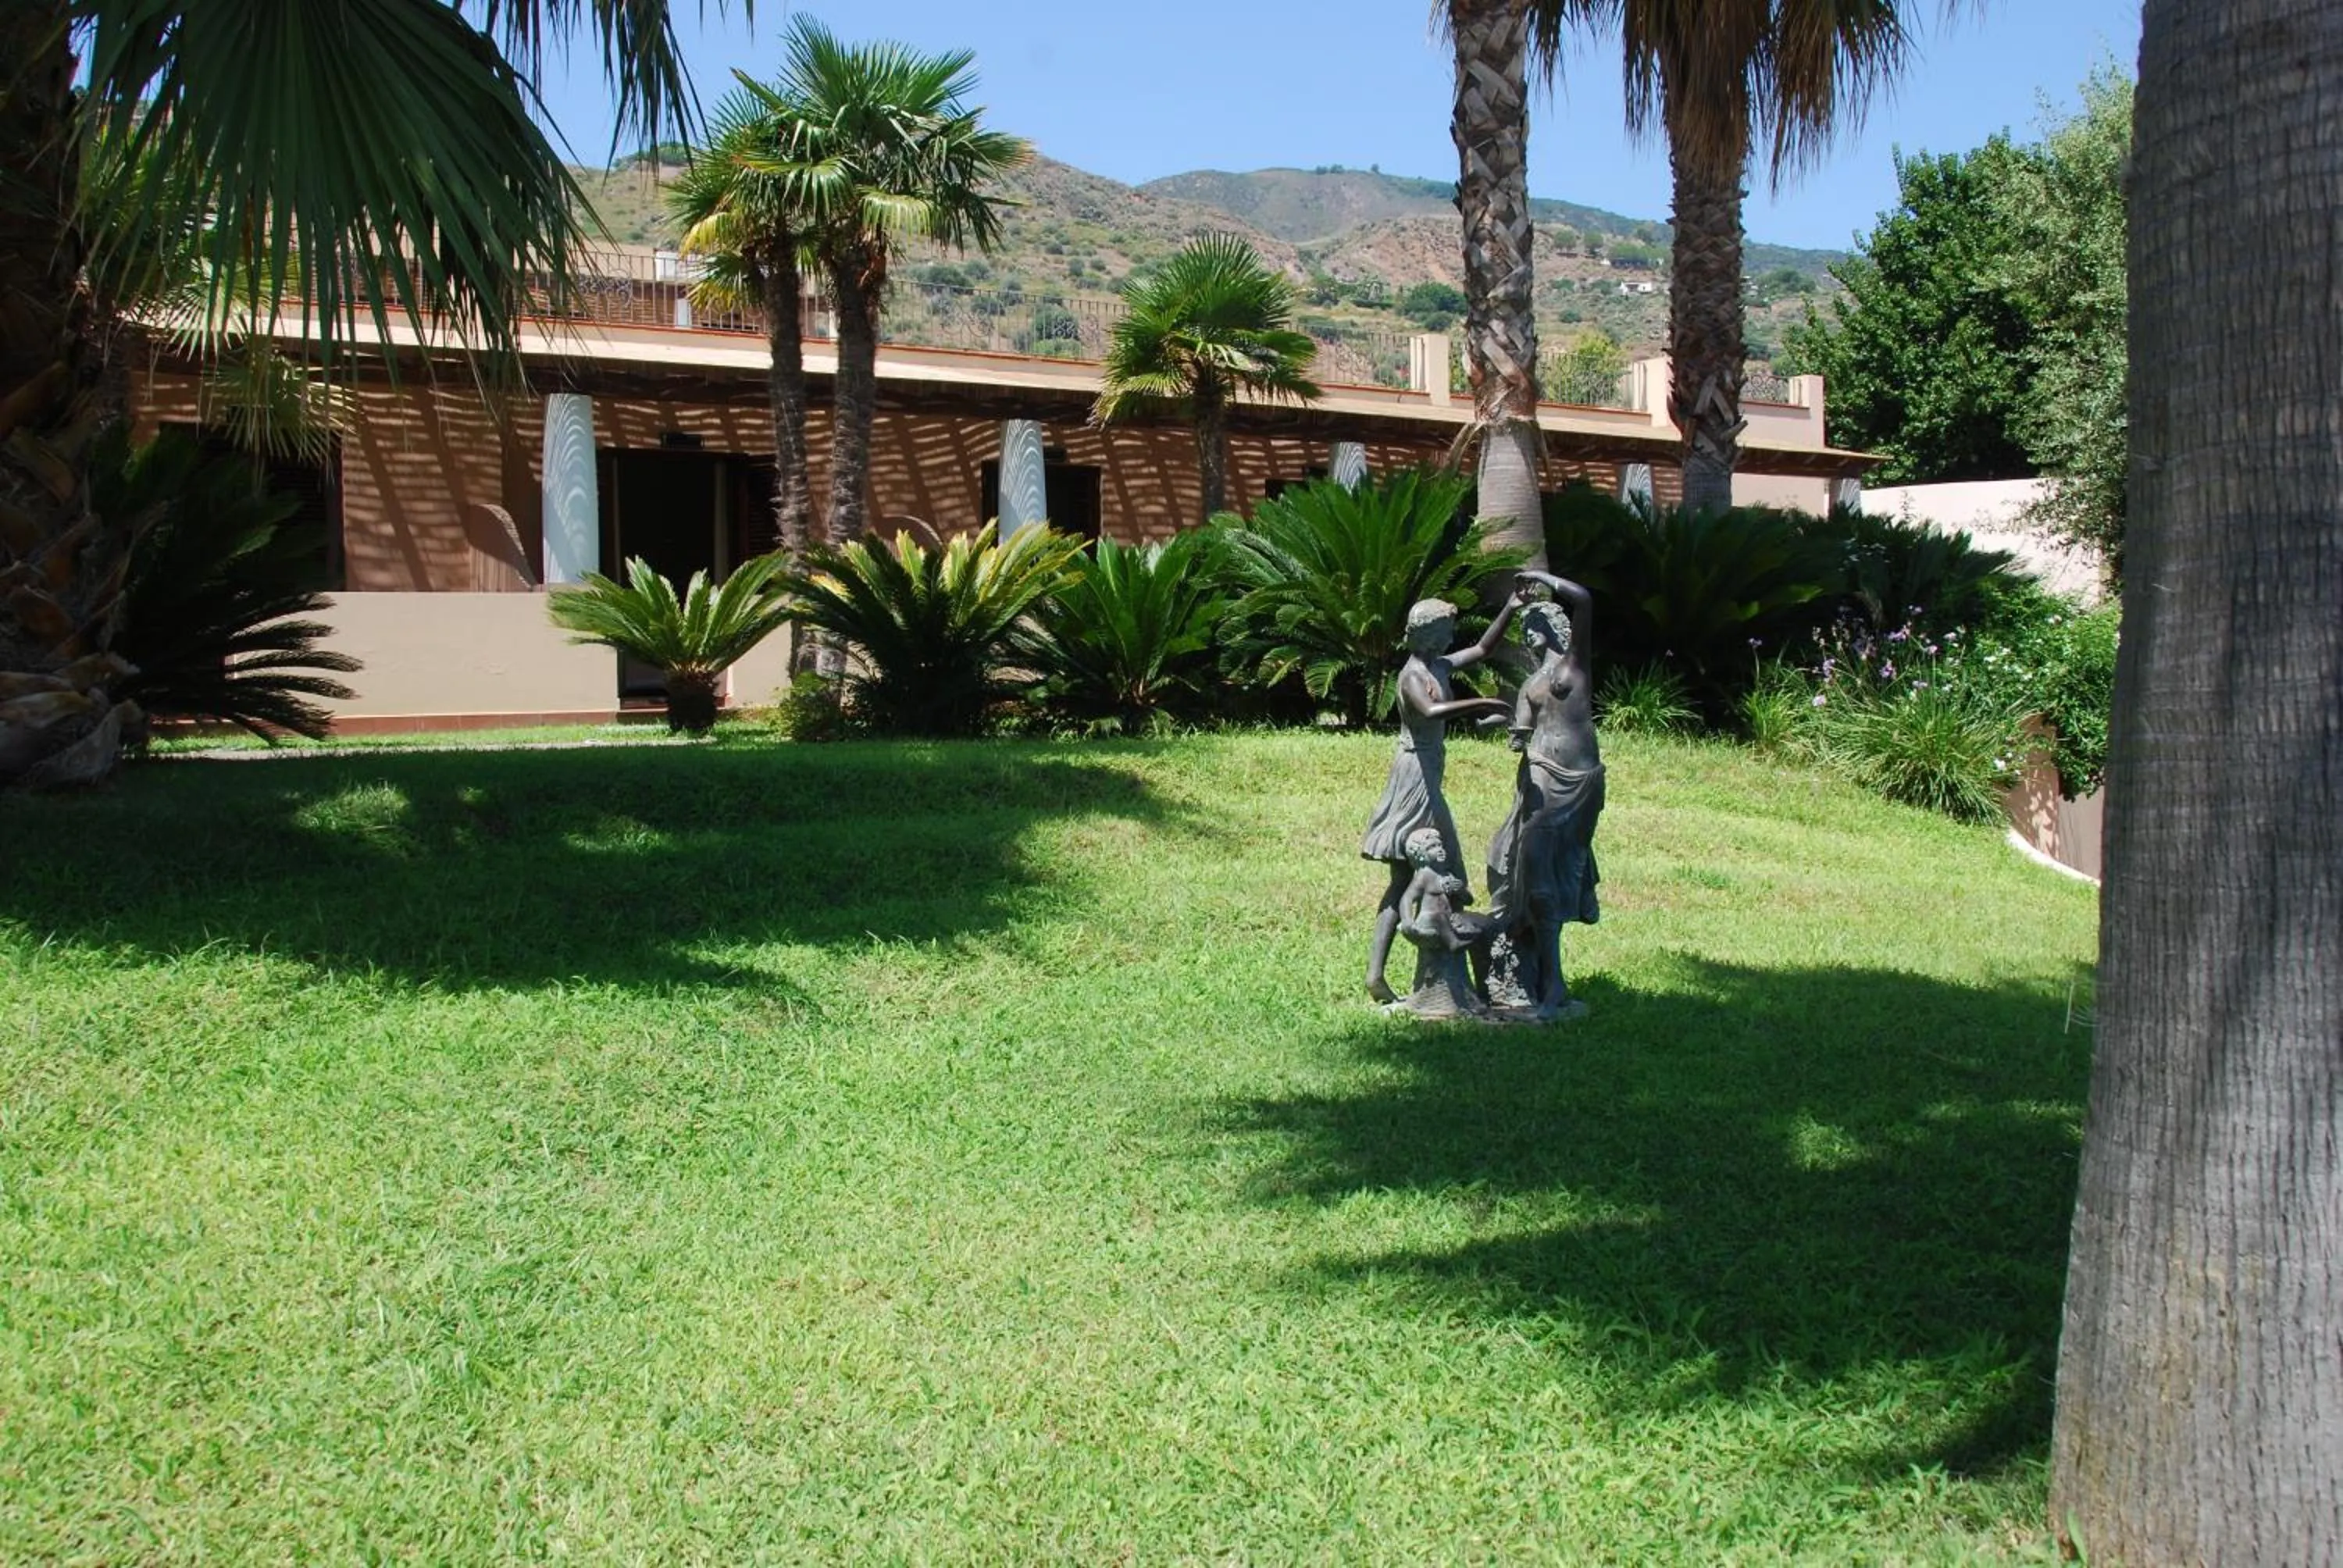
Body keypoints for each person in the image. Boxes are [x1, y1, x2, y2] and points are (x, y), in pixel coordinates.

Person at [1361, 594, 1516, 1003]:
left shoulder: (1439, 666)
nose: (1452, 638)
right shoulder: (1413, 676)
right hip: (1415, 778)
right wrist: (1481, 703)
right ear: (1431, 634)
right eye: (1447, 631)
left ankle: (1387, 974)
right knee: (1425, 870)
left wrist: (1511, 607)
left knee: (1405, 879)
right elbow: (1430, 712)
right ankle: (1408, 969)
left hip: (1430, 771)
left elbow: (1483, 649)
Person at [1481, 570, 1603, 1021]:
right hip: (1535, 781)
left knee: (1553, 870)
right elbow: (1522, 736)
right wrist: (1499, 723)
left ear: (1555, 629)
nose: (1529, 636)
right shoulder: (1531, 684)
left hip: (1573, 782)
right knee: (1527, 869)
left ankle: (1553, 987)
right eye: (1526, 629)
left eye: (1535, 628)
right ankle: (1544, 977)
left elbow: (1585, 599)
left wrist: (1540, 578)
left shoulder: (1573, 667)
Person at [1390, 826, 1497, 1018]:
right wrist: (1407, 921)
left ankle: (1467, 997)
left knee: (1456, 919)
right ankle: (1453, 943)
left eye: (1440, 845)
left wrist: (1460, 890)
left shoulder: (1447, 875)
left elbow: (1468, 900)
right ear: (1421, 855)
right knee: (1437, 915)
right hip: (1428, 922)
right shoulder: (1424, 876)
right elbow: (1407, 899)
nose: (1440, 849)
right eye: (1432, 847)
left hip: (1445, 922)